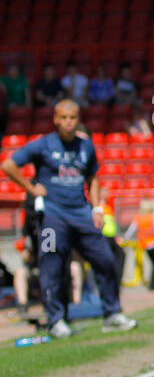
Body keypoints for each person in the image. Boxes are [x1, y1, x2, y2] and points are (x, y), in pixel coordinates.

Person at [0, 100, 137, 337]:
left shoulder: (86, 146)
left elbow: (93, 177)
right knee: (51, 265)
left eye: (72, 117)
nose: (68, 122)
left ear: (78, 118)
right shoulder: (42, 145)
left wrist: (96, 209)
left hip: (82, 214)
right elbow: (9, 165)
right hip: (52, 217)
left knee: (106, 259)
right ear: (55, 119)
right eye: (63, 118)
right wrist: (31, 189)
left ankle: (112, 314)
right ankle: (56, 321)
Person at [120, 199, 154, 290]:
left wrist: (125, 239)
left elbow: (131, 231)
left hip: (145, 244)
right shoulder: (153, 217)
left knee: (151, 264)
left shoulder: (138, 217)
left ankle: (152, 284)